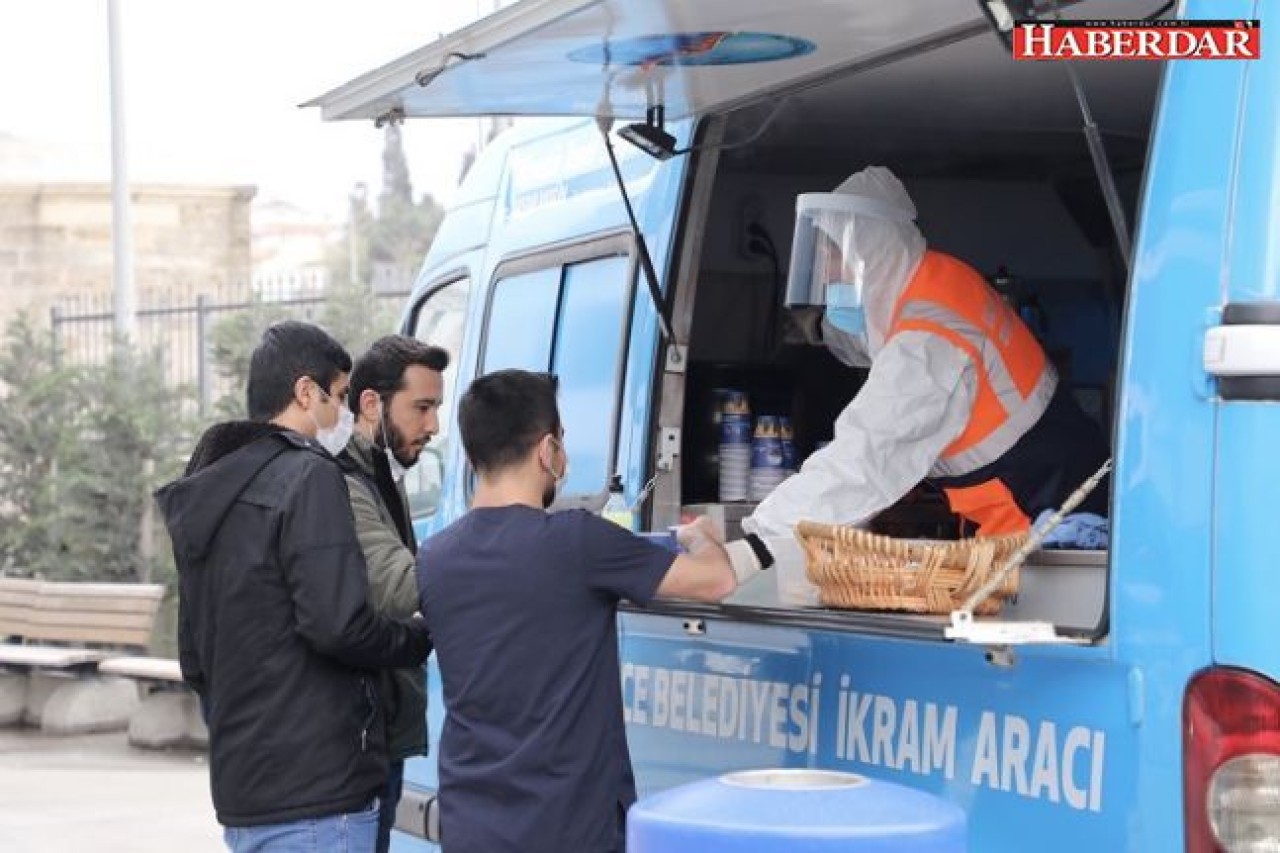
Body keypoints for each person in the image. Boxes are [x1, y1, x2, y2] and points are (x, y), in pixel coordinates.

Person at [416, 369, 747, 853]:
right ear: (548, 451)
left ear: (470, 456)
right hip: (570, 828)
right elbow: (717, 580)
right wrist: (699, 537)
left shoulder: (434, 557)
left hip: (472, 826)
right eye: (563, 443)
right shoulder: (579, 541)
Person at [727, 166, 1109, 579]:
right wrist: (820, 328)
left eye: (834, 253)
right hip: (1015, 493)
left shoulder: (930, 338)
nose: (824, 271)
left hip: (1044, 503)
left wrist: (756, 546)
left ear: (872, 249)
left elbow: (867, 458)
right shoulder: (929, 280)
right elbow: (865, 340)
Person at [155, 321, 433, 853]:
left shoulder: (206, 489)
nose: (346, 415)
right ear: (306, 393)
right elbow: (339, 625)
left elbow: (194, 656)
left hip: (245, 795)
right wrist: (415, 638)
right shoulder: (310, 478)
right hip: (321, 793)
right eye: (341, 396)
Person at [338, 335, 448, 853]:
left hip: (385, 732)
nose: (433, 426)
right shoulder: (343, 478)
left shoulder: (385, 472)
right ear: (370, 403)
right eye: (422, 408)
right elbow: (401, 584)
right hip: (357, 738)